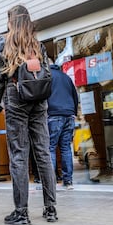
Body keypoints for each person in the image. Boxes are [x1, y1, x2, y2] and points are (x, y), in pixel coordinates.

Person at [0, 5, 58, 225]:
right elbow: (45, 72)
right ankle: (51, 209)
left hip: (16, 97)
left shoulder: (4, 41)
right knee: (43, 153)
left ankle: (21, 213)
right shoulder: (37, 44)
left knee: (19, 155)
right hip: (39, 100)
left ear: (10, 21)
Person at [47, 59, 78, 190]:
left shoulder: (47, 76)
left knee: (50, 148)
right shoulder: (66, 77)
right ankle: (68, 181)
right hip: (69, 115)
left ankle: (51, 182)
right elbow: (75, 96)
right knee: (66, 148)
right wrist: (73, 112)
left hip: (54, 114)